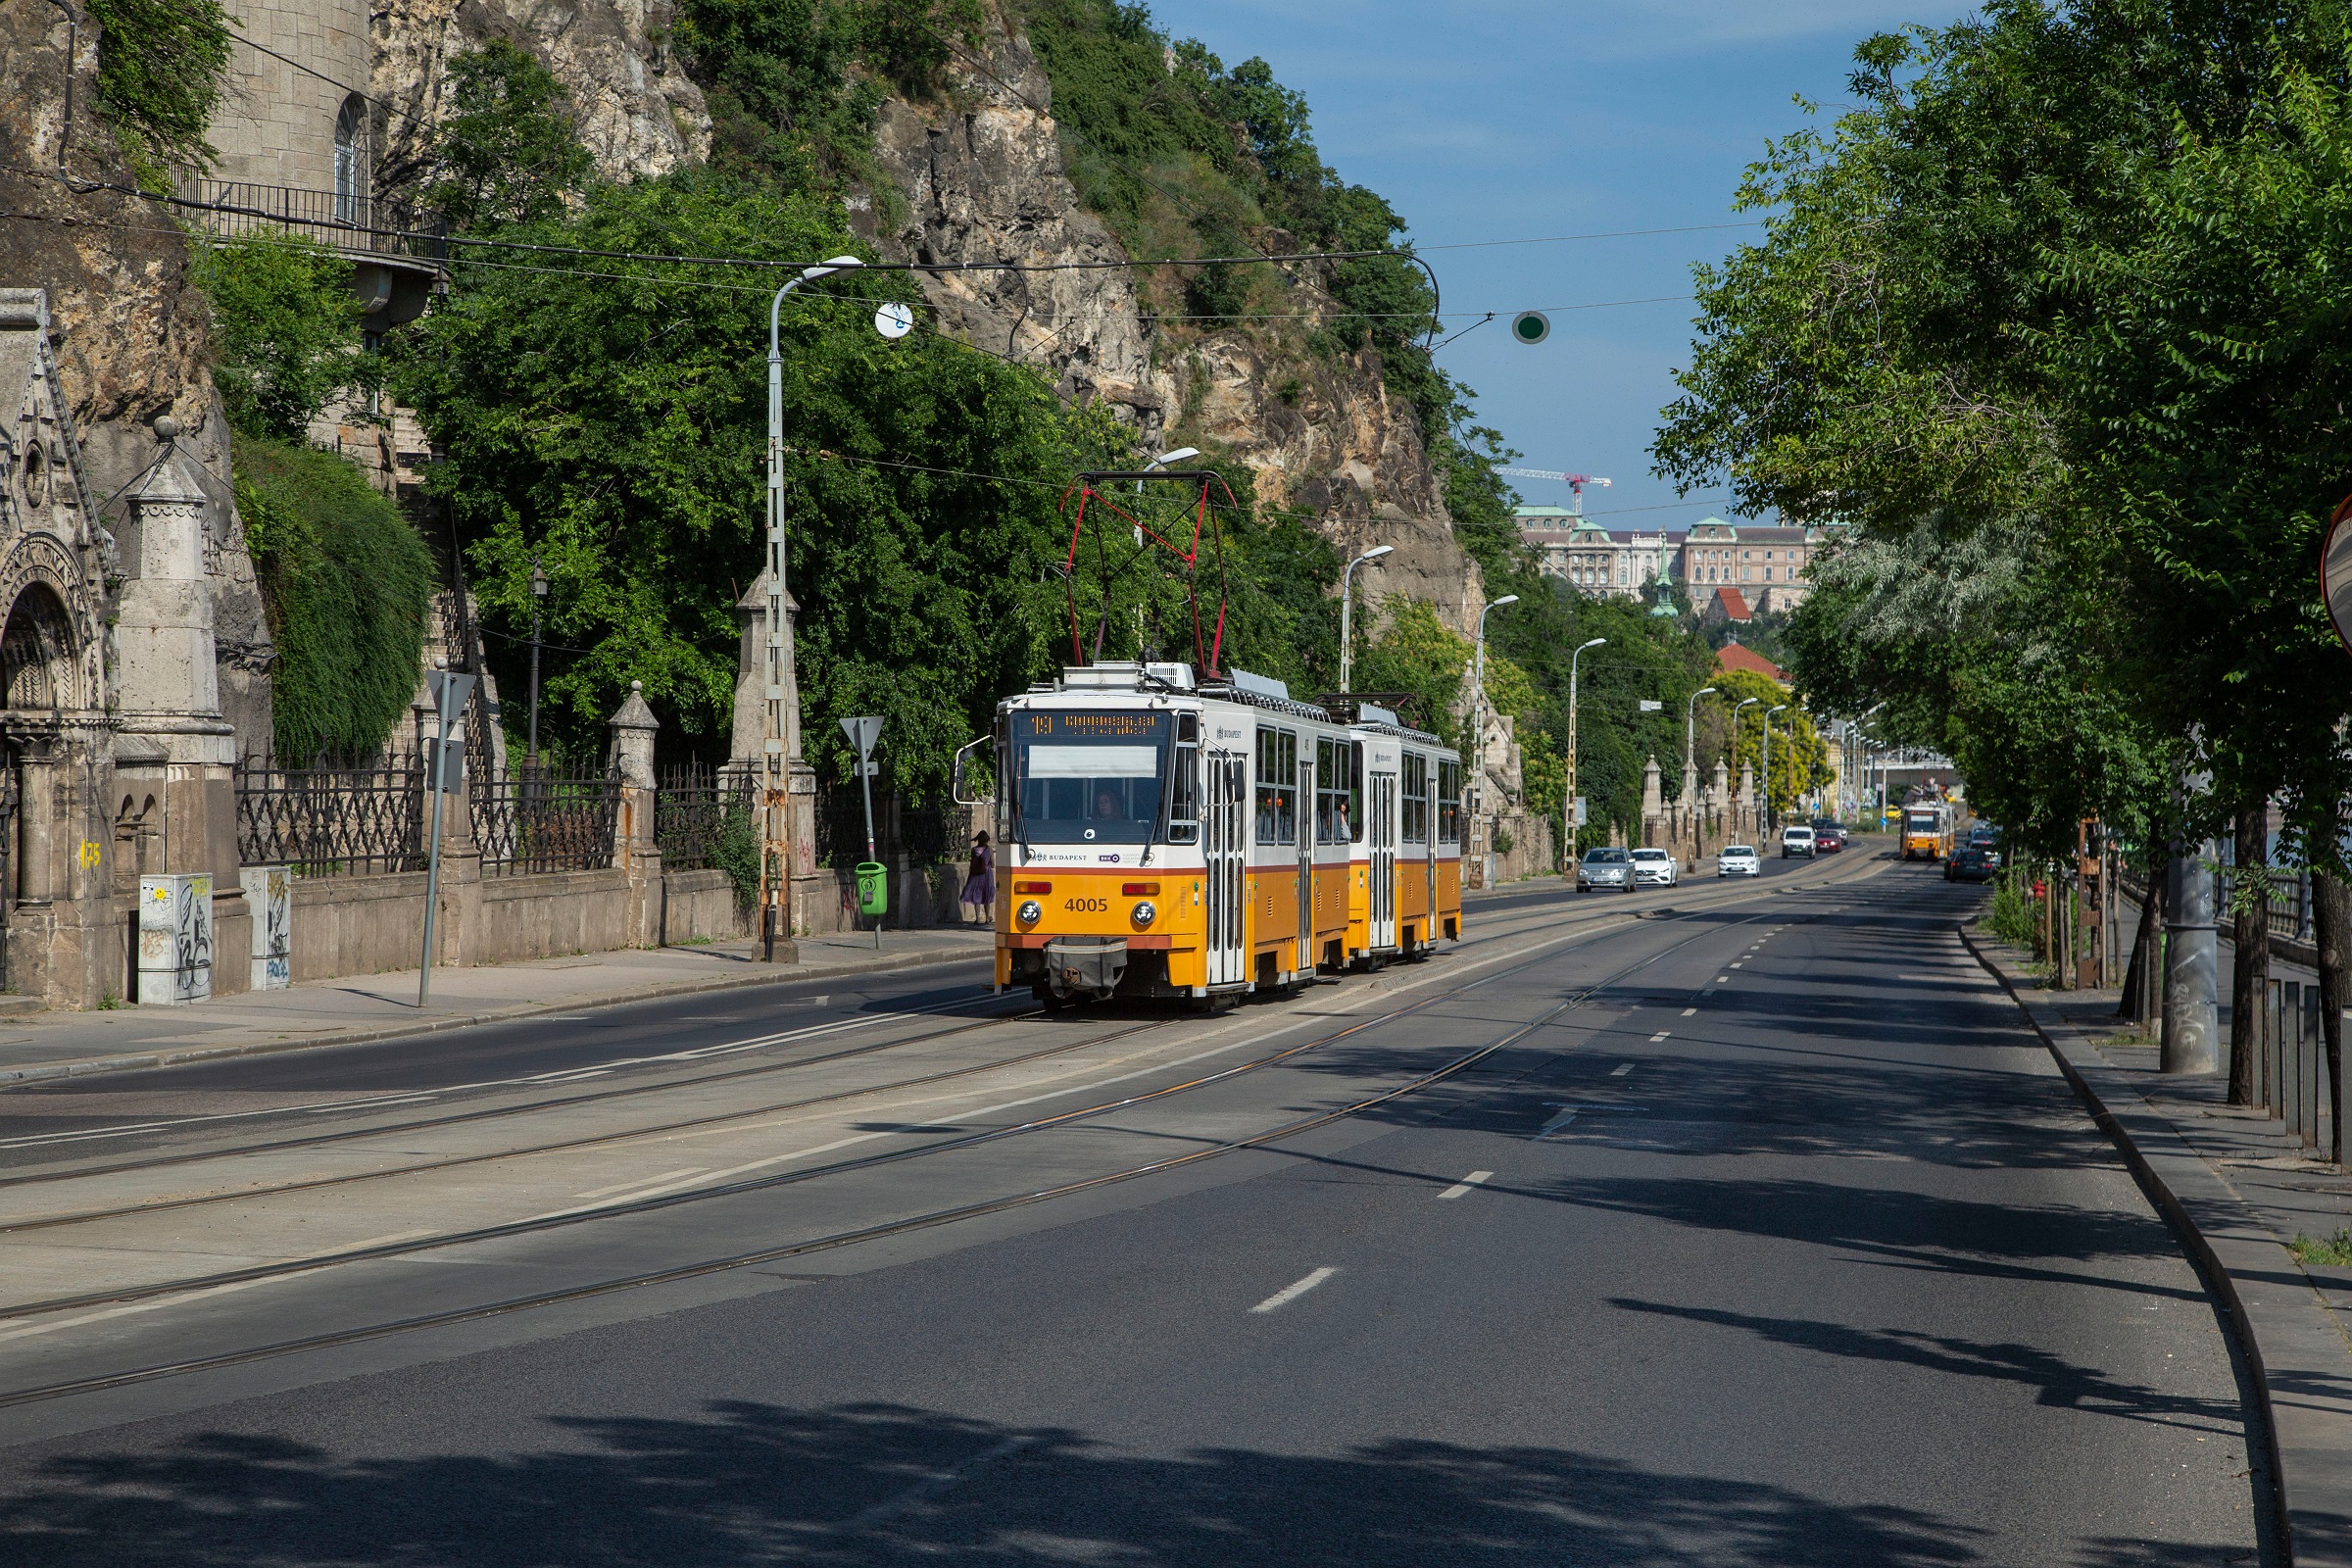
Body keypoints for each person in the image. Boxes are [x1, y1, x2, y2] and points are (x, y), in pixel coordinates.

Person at [961, 831, 994, 925]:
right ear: (986, 840)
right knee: (986, 896)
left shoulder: (973, 850)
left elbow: (973, 862)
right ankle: (987, 918)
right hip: (986, 874)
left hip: (975, 875)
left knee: (977, 896)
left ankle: (977, 919)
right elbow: (992, 864)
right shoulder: (989, 850)